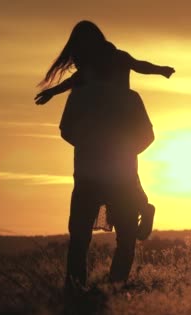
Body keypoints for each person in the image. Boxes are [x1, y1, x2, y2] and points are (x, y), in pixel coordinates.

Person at [35, 20, 175, 291]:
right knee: (121, 234)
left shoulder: (89, 89)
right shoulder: (116, 88)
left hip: (89, 173)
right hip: (112, 170)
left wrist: (89, 145)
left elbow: (67, 129)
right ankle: (114, 286)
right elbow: (147, 135)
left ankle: (81, 290)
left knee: (81, 237)